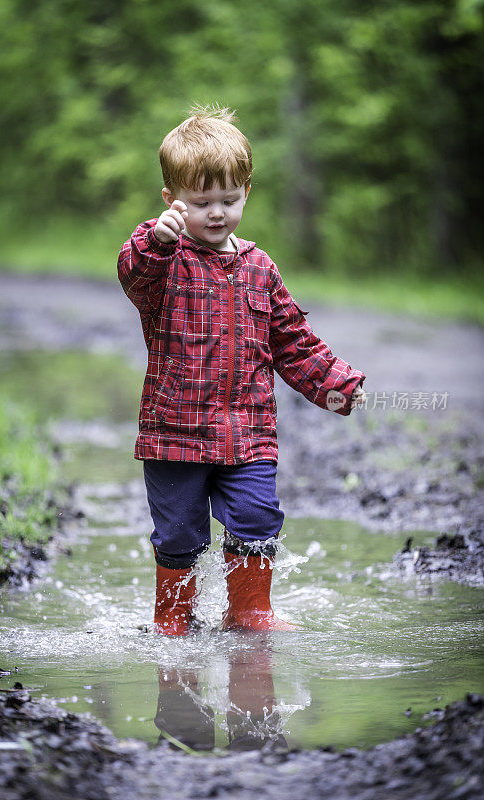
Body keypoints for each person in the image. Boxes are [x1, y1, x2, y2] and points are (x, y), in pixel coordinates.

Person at [117, 105, 366, 635]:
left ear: (246, 191)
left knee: (257, 518)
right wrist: (154, 240)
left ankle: (250, 610)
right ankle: (173, 618)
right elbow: (133, 276)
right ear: (172, 201)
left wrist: (337, 385)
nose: (215, 213)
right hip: (174, 433)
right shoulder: (164, 259)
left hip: (248, 433)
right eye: (201, 202)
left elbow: (293, 342)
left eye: (228, 200)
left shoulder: (259, 267)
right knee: (180, 533)